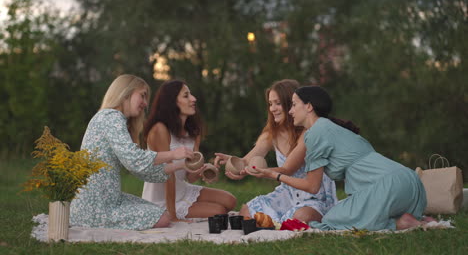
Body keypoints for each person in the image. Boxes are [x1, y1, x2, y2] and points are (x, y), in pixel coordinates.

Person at [251, 85, 434, 231]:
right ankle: (409, 217)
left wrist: (275, 176)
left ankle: (398, 224)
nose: (290, 111)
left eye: (294, 104)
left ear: (309, 106)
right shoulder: (332, 128)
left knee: (331, 218)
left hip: (387, 188)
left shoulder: (315, 133)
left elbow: (312, 186)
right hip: (411, 183)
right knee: (346, 209)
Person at [70, 74, 194, 231]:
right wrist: (173, 154)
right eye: (142, 95)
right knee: (162, 219)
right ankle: (91, 220)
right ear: (125, 93)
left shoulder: (111, 119)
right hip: (95, 207)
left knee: (160, 214)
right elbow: (136, 159)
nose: (145, 103)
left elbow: (139, 169)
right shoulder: (110, 118)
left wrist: (181, 165)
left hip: (106, 200)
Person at [215, 79, 337, 223]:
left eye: (278, 103)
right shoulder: (271, 133)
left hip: (314, 196)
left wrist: (263, 172)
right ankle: (279, 220)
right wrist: (233, 162)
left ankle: (313, 215)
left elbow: (288, 169)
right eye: (270, 104)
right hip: (287, 194)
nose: (272, 109)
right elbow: (248, 160)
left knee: (300, 218)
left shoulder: (308, 133)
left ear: (292, 104)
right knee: (246, 212)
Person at [142, 80, 236, 220]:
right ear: (172, 102)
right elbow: (168, 175)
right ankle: (173, 211)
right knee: (219, 211)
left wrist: (204, 169)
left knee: (230, 200)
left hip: (182, 189)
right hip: (161, 200)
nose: (193, 99)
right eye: (186, 96)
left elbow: (190, 177)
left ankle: (191, 208)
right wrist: (172, 216)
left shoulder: (193, 132)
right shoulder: (160, 130)